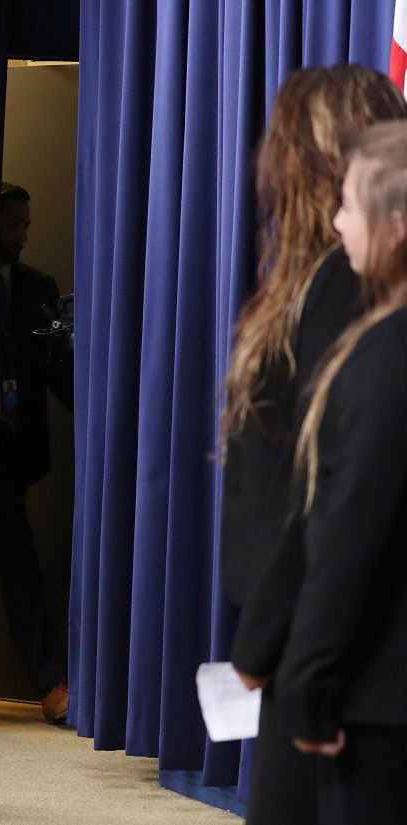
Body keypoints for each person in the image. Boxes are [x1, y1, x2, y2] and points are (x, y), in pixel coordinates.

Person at [219, 66, 407, 825]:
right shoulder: (331, 278)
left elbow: (328, 492)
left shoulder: (348, 289)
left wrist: (265, 646)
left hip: (323, 646)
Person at [273, 120, 407, 825]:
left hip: (380, 705)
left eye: (350, 205)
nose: (335, 221)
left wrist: (309, 680)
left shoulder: (385, 358)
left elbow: (352, 533)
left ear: (396, 225)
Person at [0, 182, 72, 722]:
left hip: (12, 448)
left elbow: (58, 369)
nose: (23, 234)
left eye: (26, 225)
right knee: (12, 564)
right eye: (13, 223)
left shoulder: (38, 287)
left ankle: (49, 679)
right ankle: (50, 680)